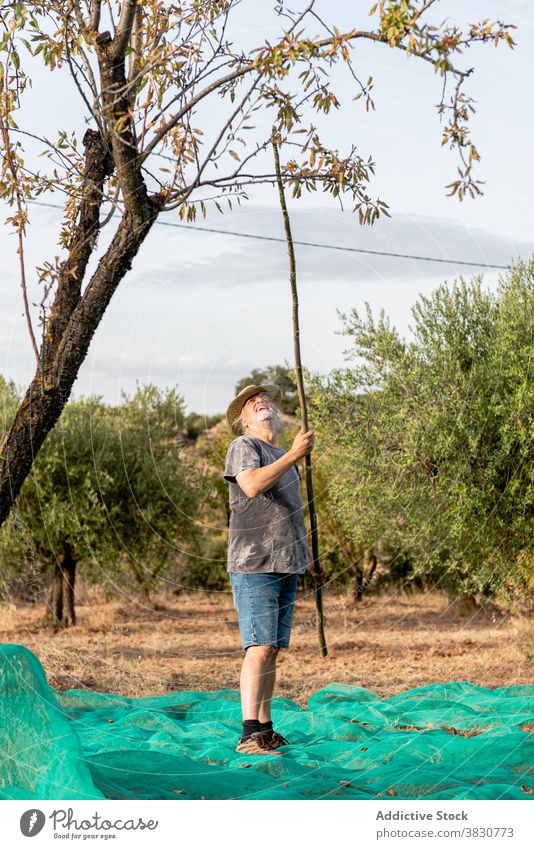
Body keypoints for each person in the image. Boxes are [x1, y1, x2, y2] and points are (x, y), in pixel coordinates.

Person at [224, 383, 326, 755]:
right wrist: (296, 455)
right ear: (244, 421)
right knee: (259, 646)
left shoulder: (283, 454)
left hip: (286, 562)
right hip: (255, 561)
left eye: (265, 399)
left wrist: (308, 557)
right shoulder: (245, 448)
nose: (261, 402)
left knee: (273, 649)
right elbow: (251, 486)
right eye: (253, 404)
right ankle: (249, 733)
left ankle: (265, 729)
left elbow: (290, 513)